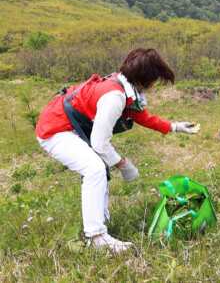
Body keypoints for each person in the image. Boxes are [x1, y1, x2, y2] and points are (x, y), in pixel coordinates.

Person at [35, 48, 199, 253]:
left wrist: (174, 126)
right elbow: (100, 143)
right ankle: (96, 237)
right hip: (55, 130)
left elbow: (141, 116)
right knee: (94, 168)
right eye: (155, 79)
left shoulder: (124, 85)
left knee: (98, 167)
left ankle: (100, 220)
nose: (155, 85)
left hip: (69, 126)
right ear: (146, 79)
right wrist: (123, 164)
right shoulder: (114, 97)